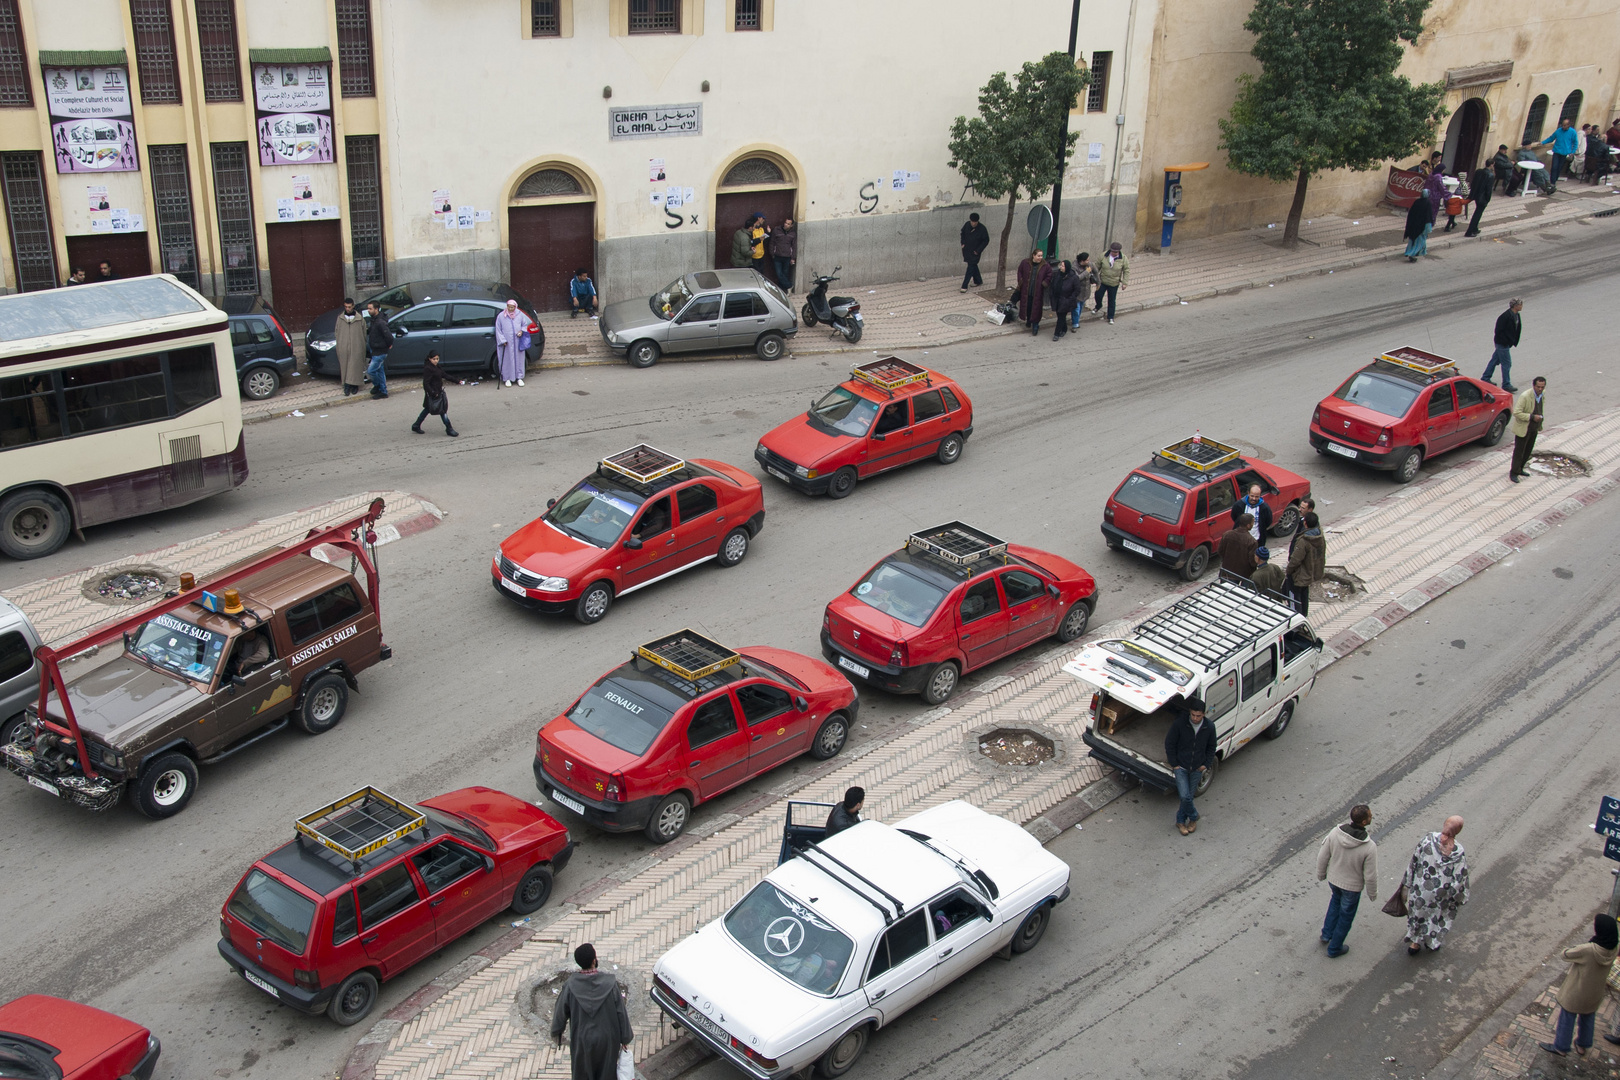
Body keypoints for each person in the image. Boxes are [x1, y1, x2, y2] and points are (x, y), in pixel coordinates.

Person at [1539, 914, 1618, 1058]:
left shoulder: (1588, 950)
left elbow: (1565, 954)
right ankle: (1583, 1045)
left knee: (1567, 1018)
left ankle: (1561, 1047)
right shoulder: (1613, 948)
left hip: (1577, 991)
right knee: (1588, 1018)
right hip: (1595, 992)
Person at [550, 943, 633, 1080]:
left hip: (582, 1039)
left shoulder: (571, 986)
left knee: (583, 1073)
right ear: (594, 960)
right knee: (606, 1073)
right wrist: (625, 1037)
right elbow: (621, 1012)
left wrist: (557, 1032)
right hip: (608, 1039)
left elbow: (560, 1013)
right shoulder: (610, 983)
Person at [1316, 804, 1377, 959]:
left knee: (1335, 902)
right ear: (1364, 822)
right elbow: (1370, 875)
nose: (1371, 817)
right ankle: (1334, 948)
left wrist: (1321, 874)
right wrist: (1372, 893)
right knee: (1345, 916)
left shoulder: (1335, 833)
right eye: (1369, 816)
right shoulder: (1368, 847)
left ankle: (1326, 934)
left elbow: (1323, 855)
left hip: (1334, 880)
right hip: (1352, 887)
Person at [1402, 816, 1470, 954]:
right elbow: (1459, 879)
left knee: (1418, 914)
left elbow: (1414, 861)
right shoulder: (1458, 852)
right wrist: (1456, 897)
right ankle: (1431, 941)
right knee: (1436, 917)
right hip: (1440, 895)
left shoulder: (1428, 840)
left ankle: (1415, 943)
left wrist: (1406, 884)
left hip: (1420, 889)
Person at [1164, 697, 1214, 835]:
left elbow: (1211, 747)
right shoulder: (1180, 724)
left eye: (1198, 716)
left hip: (1197, 768)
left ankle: (1181, 822)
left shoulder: (1209, 727)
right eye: (1193, 715)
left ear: (1203, 714)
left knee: (1188, 797)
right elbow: (1170, 743)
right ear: (1190, 712)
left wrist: (1206, 764)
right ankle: (1194, 816)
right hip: (1181, 767)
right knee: (1185, 796)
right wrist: (1174, 764)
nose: (1195, 718)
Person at [411, 351, 459, 437]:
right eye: (434, 359)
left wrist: (457, 381)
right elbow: (426, 383)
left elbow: (444, 375)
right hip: (433, 394)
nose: (436, 361)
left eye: (437, 359)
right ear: (430, 359)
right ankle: (449, 428)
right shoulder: (428, 369)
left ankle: (416, 425)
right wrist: (433, 393)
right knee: (442, 411)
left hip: (437, 392)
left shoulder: (436, 367)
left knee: (427, 409)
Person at [1508, 376, 1546, 483]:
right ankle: (1514, 472)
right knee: (1519, 451)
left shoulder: (1542, 395)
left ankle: (1520, 469)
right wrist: (1532, 417)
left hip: (1534, 428)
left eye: (1542, 387)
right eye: (1538, 387)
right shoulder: (1525, 396)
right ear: (1533, 386)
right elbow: (1517, 412)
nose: (1540, 389)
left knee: (1528, 450)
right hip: (1524, 428)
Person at [1286, 511, 1325, 615]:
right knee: (1304, 595)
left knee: (1294, 598)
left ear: (1305, 524)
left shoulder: (1304, 541)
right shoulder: (1319, 535)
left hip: (1299, 575)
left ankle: (1296, 621)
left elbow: (1295, 560)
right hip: (1310, 573)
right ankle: (1304, 616)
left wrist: (1288, 570)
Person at [1480, 298, 1522, 390]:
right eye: (1520, 304)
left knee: (1494, 360)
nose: (1521, 306)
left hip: (1506, 343)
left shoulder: (1516, 315)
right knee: (1507, 363)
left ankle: (1485, 377)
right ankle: (1506, 384)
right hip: (1502, 343)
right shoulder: (1505, 316)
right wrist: (1505, 341)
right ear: (1515, 306)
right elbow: (1498, 331)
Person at [1012, 250, 1052, 336]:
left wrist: (1044, 283)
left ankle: (1035, 325)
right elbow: (1020, 271)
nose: (1040, 258)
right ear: (1033, 255)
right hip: (1027, 290)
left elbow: (1049, 275)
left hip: (1038, 291)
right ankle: (1028, 320)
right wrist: (1021, 281)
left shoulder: (1045, 265)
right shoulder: (1025, 263)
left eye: (1041, 256)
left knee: (1036, 308)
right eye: (1038, 256)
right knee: (1028, 306)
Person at [334, 297, 368, 396]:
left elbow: (363, 332)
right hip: (344, 346)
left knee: (355, 365)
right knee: (345, 366)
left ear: (353, 306)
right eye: (346, 307)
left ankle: (355, 385)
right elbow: (337, 332)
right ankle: (346, 385)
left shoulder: (359, 319)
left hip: (356, 345)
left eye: (349, 307)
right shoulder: (340, 318)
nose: (347, 309)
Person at [1093, 241, 1129, 324]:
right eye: (1113, 251)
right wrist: (1094, 277)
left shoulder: (1123, 258)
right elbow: (1096, 267)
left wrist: (1125, 282)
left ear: (1119, 251)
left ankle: (1111, 317)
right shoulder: (1103, 256)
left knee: (1112, 300)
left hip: (1114, 283)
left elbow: (1126, 270)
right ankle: (1098, 306)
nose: (1114, 253)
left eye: (1116, 252)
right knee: (1098, 295)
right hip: (1102, 281)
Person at [495, 299, 528, 387]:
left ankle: (519, 377)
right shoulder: (501, 316)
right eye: (509, 307)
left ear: (515, 307)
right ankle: (507, 378)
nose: (510, 309)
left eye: (512, 307)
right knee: (506, 360)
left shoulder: (519, 315)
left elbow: (524, 325)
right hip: (507, 343)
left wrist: (521, 331)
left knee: (519, 360)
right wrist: (502, 340)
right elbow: (498, 329)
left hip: (517, 342)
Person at [1540, 117, 1581, 187]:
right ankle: (1552, 182)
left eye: (1565, 125)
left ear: (1568, 125)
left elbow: (1575, 142)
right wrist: (1543, 142)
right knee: (1554, 167)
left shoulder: (1572, 132)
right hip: (1556, 151)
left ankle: (1555, 180)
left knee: (1559, 167)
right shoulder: (1558, 131)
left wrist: (1572, 151)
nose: (1563, 126)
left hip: (1565, 153)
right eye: (1562, 125)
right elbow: (1551, 138)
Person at [1048, 259, 1083, 340]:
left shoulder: (1073, 277)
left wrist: (1071, 298)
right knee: (1060, 316)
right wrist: (1052, 295)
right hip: (1057, 299)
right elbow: (1053, 285)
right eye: (1061, 265)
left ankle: (1056, 334)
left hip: (1066, 300)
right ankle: (1064, 328)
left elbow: (1077, 290)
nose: (1061, 267)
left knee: (1061, 317)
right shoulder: (1058, 275)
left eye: (1063, 266)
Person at [364, 301, 392, 399]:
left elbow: (389, 336)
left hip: (380, 351)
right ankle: (383, 391)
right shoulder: (374, 319)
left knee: (371, 371)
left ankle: (378, 386)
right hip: (375, 348)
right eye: (368, 308)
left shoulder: (380, 322)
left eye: (370, 309)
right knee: (380, 371)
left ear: (376, 309)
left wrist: (389, 345)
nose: (368, 310)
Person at [1218, 514, 1258, 579]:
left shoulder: (1227, 534)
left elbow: (1220, 551)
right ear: (1248, 525)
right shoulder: (1252, 541)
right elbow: (1252, 561)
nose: (1253, 525)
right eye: (1252, 523)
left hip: (1227, 571)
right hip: (1244, 574)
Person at [959, 212, 989, 292]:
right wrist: (963, 243)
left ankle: (964, 285)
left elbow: (986, 240)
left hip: (975, 251)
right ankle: (978, 280)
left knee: (970, 267)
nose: (973, 223)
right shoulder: (967, 225)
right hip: (967, 250)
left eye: (974, 222)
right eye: (972, 222)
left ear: (977, 221)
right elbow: (962, 233)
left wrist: (978, 250)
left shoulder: (982, 229)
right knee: (973, 265)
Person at [1464, 162, 1494, 237]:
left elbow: (1473, 183)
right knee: (1477, 214)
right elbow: (1488, 189)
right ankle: (1470, 231)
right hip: (1482, 197)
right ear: (1491, 165)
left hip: (1475, 195)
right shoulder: (1490, 175)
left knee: (1478, 212)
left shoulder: (1478, 171)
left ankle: (1475, 228)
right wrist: (1488, 198)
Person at [1402, 190, 1433, 262]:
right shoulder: (1428, 203)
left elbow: (1411, 213)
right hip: (1421, 226)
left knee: (1412, 240)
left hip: (1413, 225)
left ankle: (1414, 252)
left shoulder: (1417, 202)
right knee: (1420, 241)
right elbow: (1428, 216)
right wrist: (1429, 227)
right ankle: (1411, 254)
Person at [1070, 253, 1096, 332]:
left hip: (1085, 291)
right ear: (1082, 261)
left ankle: (1076, 320)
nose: (1089, 261)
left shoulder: (1090, 265)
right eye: (1087, 260)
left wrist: (1098, 282)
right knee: (1076, 309)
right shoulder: (1074, 267)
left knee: (1080, 307)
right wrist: (1087, 272)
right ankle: (1075, 324)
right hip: (1077, 292)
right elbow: (1077, 278)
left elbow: (1096, 272)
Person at [769, 217, 797, 291]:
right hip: (777, 256)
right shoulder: (777, 230)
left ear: (791, 225)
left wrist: (793, 257)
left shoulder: (793, 233)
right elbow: (772, 242)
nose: (786, 225)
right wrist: (772, 253)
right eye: (785, 223)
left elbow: (794, 246)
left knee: (784, 274)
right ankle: (789, 285)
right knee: (779, 274)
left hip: (787, 257)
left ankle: (782, 290)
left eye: (788, 224)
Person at [749, 213, 769, 278]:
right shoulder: (752, 230)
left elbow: (764, 240)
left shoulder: (761, 229)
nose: (764, 220)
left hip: (761, 255)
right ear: (758, 218)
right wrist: (759, 239)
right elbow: (750, 242)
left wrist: (768, 233)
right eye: (762, 218)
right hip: (754, 256)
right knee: (755, 275)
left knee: (761, 274)